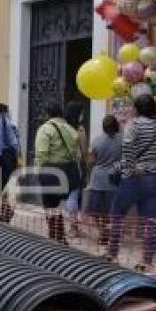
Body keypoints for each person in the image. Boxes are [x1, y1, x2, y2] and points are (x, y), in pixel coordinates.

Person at [108, 94, 156, 273]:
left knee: (117, 214)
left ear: (137, 108)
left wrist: (130, 169)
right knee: (150, 221)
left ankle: (112, 254)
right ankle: (146, 261)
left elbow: (127, 149)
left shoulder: (134, 125)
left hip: (134, 178)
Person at [35, 101, 82, 244]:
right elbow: (77, 155)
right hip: (68, 172)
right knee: (58, 205)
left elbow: (41, 154)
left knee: (50, 205)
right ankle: (60, 236)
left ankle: (55, 236)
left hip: (51, 172)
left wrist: (39, 172)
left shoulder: (45, 129)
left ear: (47, 114)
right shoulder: (71, 129)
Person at [85, 115, 122, 246]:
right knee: (111, 212)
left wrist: (90, 171)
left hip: (98, 181)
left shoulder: (96, 140)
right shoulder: (123, 140)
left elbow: (90, 162)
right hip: (115, 181)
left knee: (95, 211)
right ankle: (109, 233)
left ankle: (103, 233)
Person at [63, 101, 89, 238]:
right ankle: (73, 227)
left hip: (61, 164)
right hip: (75, 165)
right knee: (74, 195)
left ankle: (61, 226)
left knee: (67, 196)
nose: (82, 116)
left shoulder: (62, 127)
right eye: (82, 113)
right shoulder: (79, 130)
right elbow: (84, 151)